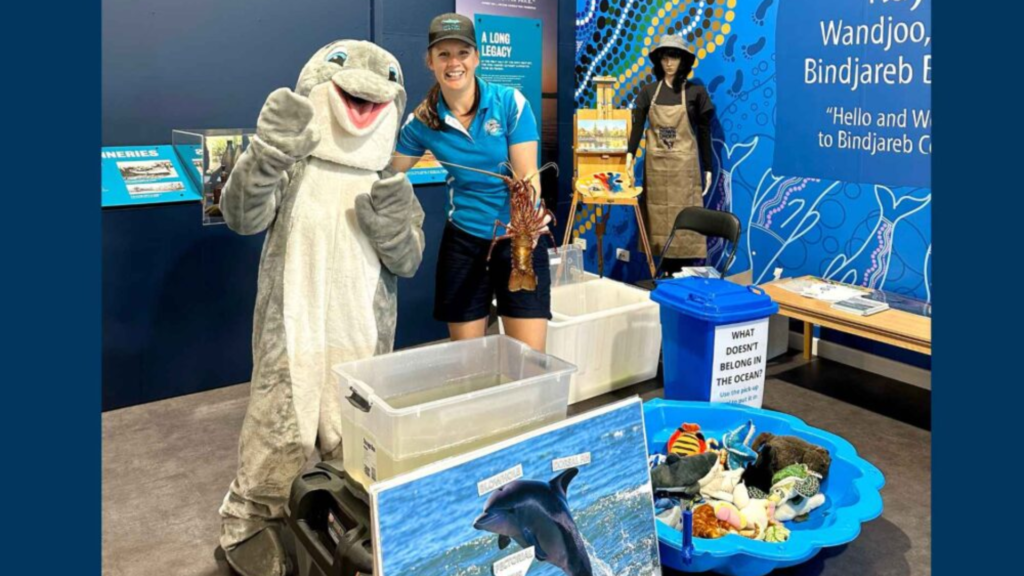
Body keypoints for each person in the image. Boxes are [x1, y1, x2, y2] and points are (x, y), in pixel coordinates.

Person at [388, 13, 551, 351]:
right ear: (430, 61)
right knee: (466, 359)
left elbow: (526, 177)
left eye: (462, 52)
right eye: (443, 54)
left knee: (530, 358)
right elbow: (389, 172)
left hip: (518, 238)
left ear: (476, 57)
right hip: (463, 241)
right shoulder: (423, 121)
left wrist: (529, 225)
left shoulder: (509, 103)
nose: (454, 62)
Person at [625, 35, 715, 275]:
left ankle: (677, 274)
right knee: (658, 220)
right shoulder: (648, 93)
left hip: (684, 172)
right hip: (656, 172)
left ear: (683, 60)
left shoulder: (696, 93)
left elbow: (704, 133)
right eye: (665, 57)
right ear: (659, 61)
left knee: (686, 220)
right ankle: (664, 272)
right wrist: (629, 156)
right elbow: (637, 128)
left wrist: (708, 168)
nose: (669, 63)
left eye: (674, 57)